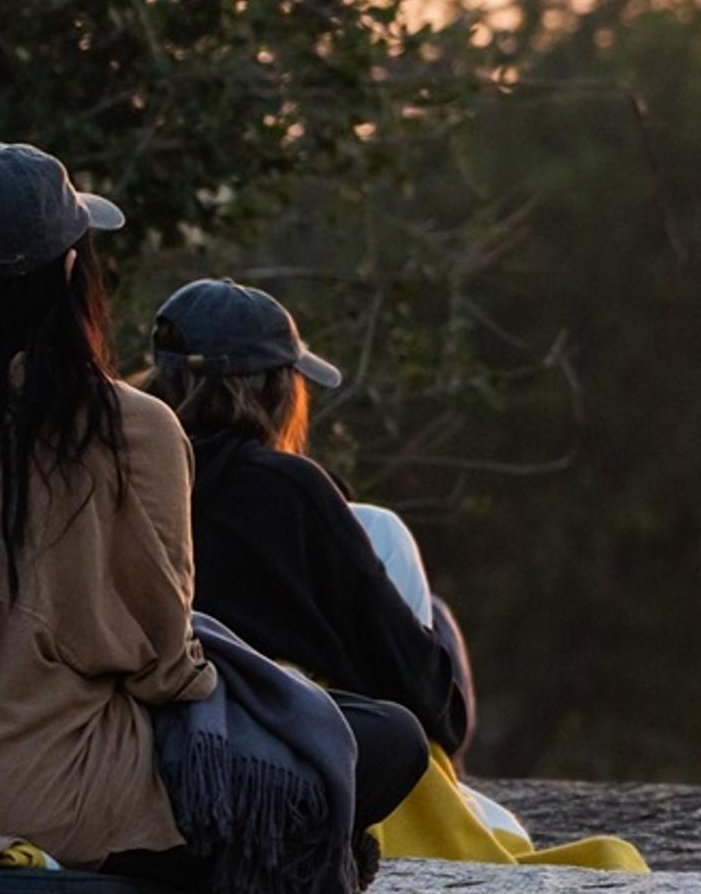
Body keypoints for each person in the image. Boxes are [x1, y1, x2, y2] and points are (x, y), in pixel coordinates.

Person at [0, 144, 427, 894]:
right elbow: (163, 666)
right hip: (42, 800)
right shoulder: (125, 428)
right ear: (65, 271)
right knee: (382, 739)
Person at [148, 278, 473, 764]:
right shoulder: (294, 492)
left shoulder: (121, 474)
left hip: (158, 736)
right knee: (419, 592)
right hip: (278, 751)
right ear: (279, 392)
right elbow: (438, 707)